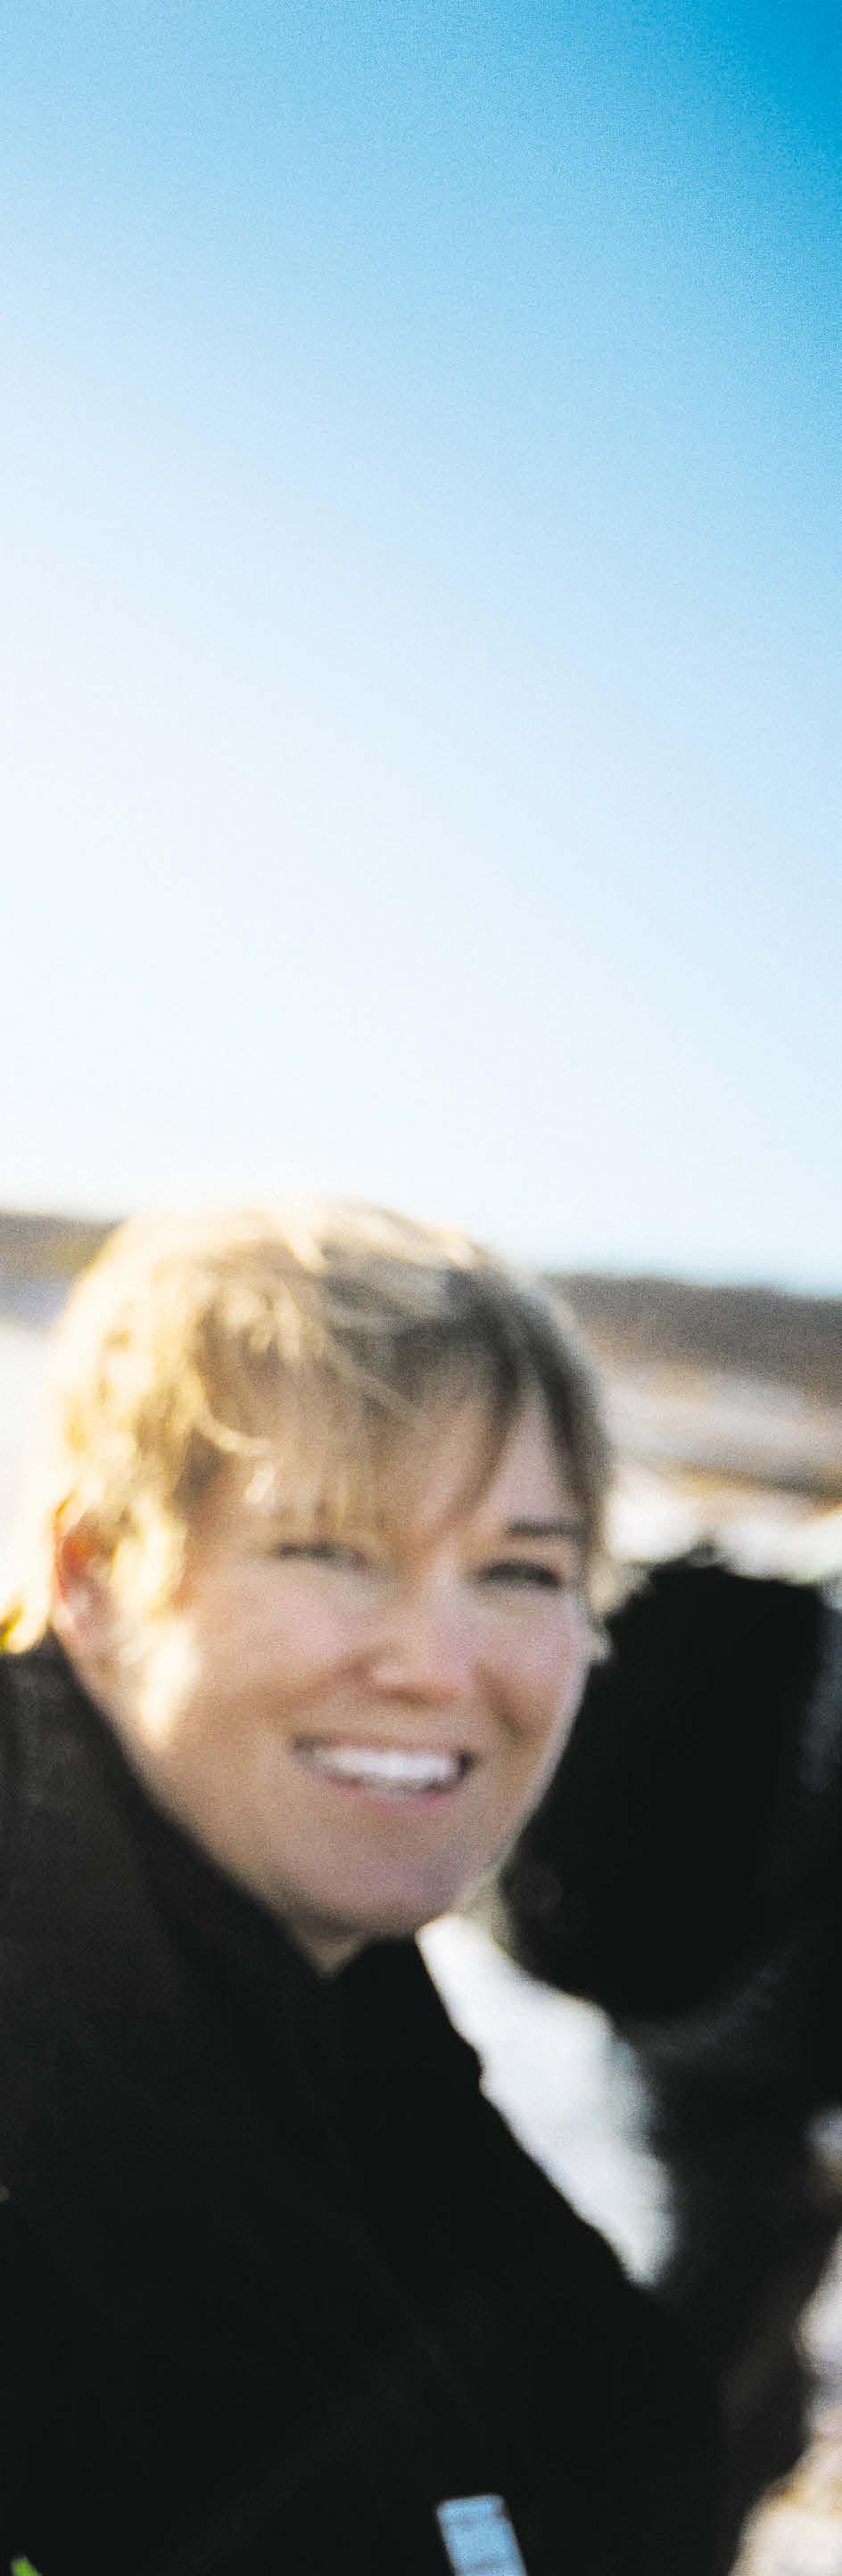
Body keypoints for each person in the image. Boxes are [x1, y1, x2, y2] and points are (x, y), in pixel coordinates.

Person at [0, 1202, 720, 2576]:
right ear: (91, 1579)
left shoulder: (349, 2041)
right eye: (332, 1548)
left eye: (520, 1569)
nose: (440, 1667)